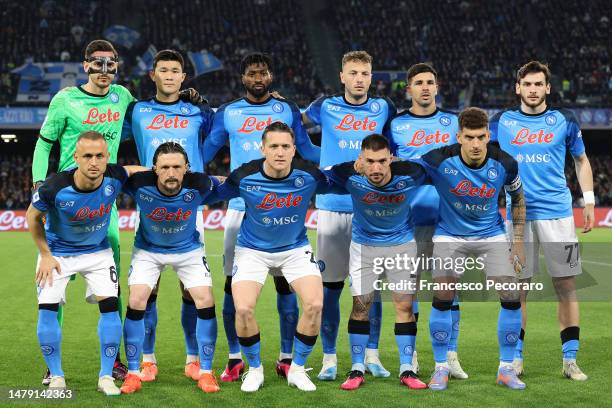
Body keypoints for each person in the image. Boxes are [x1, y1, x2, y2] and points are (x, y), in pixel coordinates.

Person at [31, 39, 202, 383]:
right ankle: (53, 370)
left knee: (114, 282)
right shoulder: (65, 99)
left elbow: (152, 117)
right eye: (98, 64)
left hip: (103, 200)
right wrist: (38, 183)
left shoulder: (123, 97)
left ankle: (118, 360)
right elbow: (45, 142)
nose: (105, 70)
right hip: (65, 198)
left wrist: (186, 98)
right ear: (85, 66)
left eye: (111, 64)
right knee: (52, 285)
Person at [202, 52, 320, 380]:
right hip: (240, 207)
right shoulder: (228, 112)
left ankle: (285, 356)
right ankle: (235, 356)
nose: (258, 77)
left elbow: (308, 151)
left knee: (286, 286)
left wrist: (355, 163)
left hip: (280, 206)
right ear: (242, 78)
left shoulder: (287, 109)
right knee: (232, 289)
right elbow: (205, 153)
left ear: (271, 76)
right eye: (252, 73)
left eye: (263, 72)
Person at [490, 61, 593, 380]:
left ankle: (570, 360)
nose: (533, 90)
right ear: (517, 87)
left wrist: (588, 200)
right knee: (518, 289)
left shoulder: (564, 120)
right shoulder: (501, 122)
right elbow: (487, 166)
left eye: (539, 84)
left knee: (566, 285)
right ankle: (516, 358)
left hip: (559, 215)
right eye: (527, 84)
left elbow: (581, 160)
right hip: (518, 217)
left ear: (548, 88)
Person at [213, 121, 334, 392]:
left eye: (285, 146)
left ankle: (297, 369)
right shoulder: (244, 176)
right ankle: (255, 369)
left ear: (294, 150)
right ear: (263, 148)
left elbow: (339, 182)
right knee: (242, 309)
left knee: (315, 304)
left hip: (294, 250)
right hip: (252, 251)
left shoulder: (309, 175)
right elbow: (211, 192)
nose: (280, 152)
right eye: (274, 146)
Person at [26, 131, 145, 395]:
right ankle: (56, 376)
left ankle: (106, 376)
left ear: (107, 158)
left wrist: (160, 170)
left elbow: (134, 171)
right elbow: (32, 217)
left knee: (111, 309)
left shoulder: (114, 176)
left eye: (99, 156)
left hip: (97, 252)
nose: (94, 162)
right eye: (87, 156)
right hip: (57, 253)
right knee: (47, 310)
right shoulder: (55, 187)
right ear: (76, 158)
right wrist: (45, 254)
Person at [302, 50, 396, 380]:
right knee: (331, 288)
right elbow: (297, 129)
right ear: (342, 76)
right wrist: (318, 159)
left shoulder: (383, 108)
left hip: (370, 208)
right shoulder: (323, 107)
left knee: (372, 289)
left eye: (365, 73)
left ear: (372, 77)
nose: (359, 79)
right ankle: (329, 358)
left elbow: (392, 151)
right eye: (353, 73)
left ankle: (372, 355)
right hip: (331, 207)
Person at [121, 49, 214, 382]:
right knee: (149, 289)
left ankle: (193, 359)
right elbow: (114, 137)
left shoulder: (199, 112)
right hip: (151, 202)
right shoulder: (137, 111)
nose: (170, 75)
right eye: (164, 70)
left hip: (189, 204)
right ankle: (147, 359)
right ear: (153, 75)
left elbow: (224, 133)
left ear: (183, 77)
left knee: (193, 290)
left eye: (176, 70)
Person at [419, 107, 527, 390]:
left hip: (490, 234)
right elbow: (407, 173)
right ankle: (441, 367)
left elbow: (518, 198)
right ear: (459, 137)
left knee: (511, 294)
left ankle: (506, 368)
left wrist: (517, 241)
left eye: (481, 137)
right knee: (442, 295)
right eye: (470, 137)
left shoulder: (505, 162)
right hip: (449, 235)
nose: (477, 144)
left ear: (488, 135)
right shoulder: (438, 159)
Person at [324, 134, 429, 391]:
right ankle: (357, 368)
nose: (376, 168)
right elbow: (319, 175)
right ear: (360, 160)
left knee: (404, 306)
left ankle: (407, 369)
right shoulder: (349, 175)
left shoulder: (411, 174)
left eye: (382, 161)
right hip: (364, 247)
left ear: (391, 158)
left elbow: (438, 168)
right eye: (369, 161)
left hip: (402, 246)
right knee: (361, 306)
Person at [119, 142, 222, 395]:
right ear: (154, 168)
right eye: (164, 167)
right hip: (148, 250)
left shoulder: (198, 183)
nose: (171, 172)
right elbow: (112, 173)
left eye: (177, 166)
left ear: (187, 168)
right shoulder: (139, 183)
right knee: (137, 299)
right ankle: (138, 369)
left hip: (188, 250)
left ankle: (203, 370)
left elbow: (230, 183)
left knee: (204, 299)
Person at [385, 62, 466, 377]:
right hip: (408, 218)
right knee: (410, 288)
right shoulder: (395, 125)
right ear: (409, 88)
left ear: (437, 86)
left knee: (450, 288)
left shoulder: (452, 122)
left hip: (448, 218)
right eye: (418, 82)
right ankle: (413, 355)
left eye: (430, 81)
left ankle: (450, 356)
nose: (425, 87)